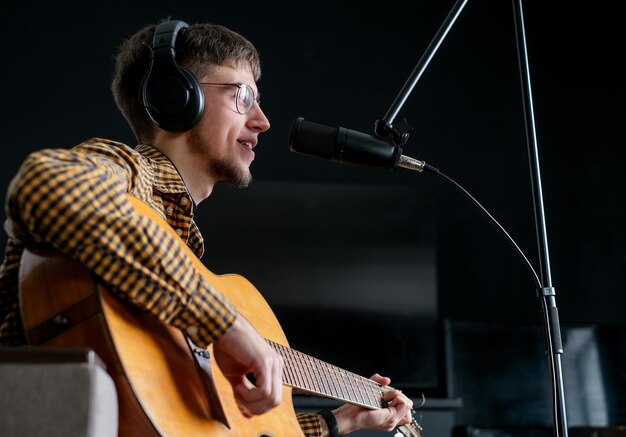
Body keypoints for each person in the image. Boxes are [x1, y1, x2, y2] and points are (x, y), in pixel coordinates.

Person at [0, 19, 413, 436]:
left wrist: (338, 420)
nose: (263, 121)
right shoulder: (127, 171)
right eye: (242, 96)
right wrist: (226, 326)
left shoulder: (173, 252)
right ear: (175, 99)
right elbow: (48, 183)